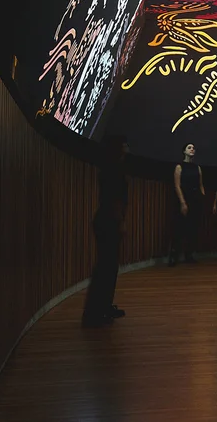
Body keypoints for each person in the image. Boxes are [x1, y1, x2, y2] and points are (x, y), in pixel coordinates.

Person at [82, 134, 129, 328]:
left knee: (108, 267)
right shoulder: (114, 170)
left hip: (105, 220)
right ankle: (95, 313)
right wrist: (120, 222)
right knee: (106, 267)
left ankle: (102, 308)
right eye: (124, 144)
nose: (127, 147)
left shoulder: (109, 168)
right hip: (109, 221)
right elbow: (114, 199)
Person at [168, 142, 206, 266]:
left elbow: (200, 184)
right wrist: (182, 202)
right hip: (184, 198)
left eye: (193, 148)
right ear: (184, 151)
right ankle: (174, 256)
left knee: (193, 229)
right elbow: (177, 185)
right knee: (179, 228)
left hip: (196, 200)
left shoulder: (197, 167)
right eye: (189, 148)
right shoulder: (179, 167)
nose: (192, 149)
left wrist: (202, 197)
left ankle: (189, 254)